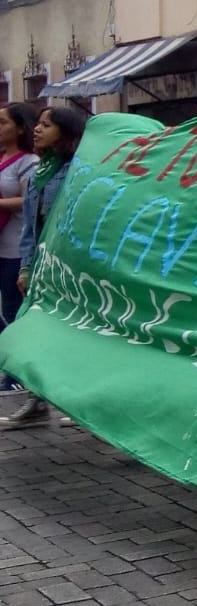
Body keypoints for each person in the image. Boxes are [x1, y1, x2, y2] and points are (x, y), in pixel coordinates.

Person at [1, 105, 89, 430]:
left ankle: (81, 403)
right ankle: (37, 400)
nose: (37, 129)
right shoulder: (41, 173)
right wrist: (27, 268)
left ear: (66, 133)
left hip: (71, 266)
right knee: (35, 332)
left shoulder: (78, 171)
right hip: (42, 265)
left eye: (47, 125)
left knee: (75, 334)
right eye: (38, 123)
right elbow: (31, 227)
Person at [0, 104, 38, 394]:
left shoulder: (29, 162)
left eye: (3, 122)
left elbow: (28, 201)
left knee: (13, 310)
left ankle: (17, 375)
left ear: (21, 127)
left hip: (14, 248)